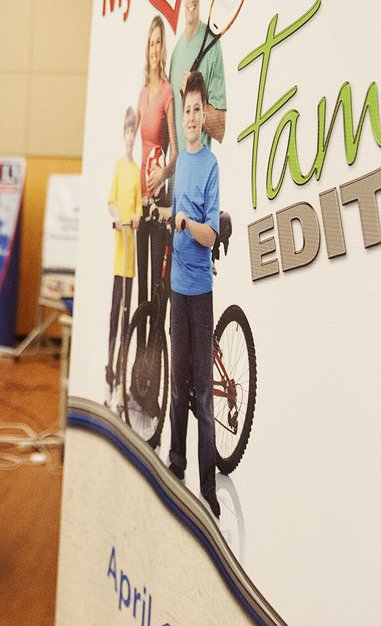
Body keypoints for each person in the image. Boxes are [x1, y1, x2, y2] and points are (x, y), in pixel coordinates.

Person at [167, 72, 221, 517]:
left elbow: (210, 233)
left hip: (199, 291)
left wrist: (186, 222)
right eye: (186, 110)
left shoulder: (208, 165)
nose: (190, 117)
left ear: (205, 118)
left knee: (202, 389)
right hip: (175, 289)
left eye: (197, 111)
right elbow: (176, 212)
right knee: (177, 379)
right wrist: (162, 211)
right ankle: (176, 461)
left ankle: (208, 483)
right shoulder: (180, 161)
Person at [153, 0, 227, 192]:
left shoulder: (212, 45)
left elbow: (220, 129)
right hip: (173, 189)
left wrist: (194, 97)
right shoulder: (175, 54)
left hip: (197, 185)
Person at [136, 15, 178, 304]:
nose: (154, 49)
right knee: (141, 288)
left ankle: (155, 348)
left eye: (159, 43)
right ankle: (141, 351)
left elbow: (176, 151)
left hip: (161, 198)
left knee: (155, 285)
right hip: (142, 198)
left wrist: (162, 174)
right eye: (151, 43)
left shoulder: (167, 93)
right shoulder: (141, 94)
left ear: (163, 49)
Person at [106, 107, 141, 393]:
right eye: (127, 133)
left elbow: (139, 205)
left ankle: (121, 368)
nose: (130, 138)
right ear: (123, 135)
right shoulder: (119, 166)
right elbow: (111, 201)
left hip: (132, 255)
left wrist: (137, 217)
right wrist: (117, 218)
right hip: (120, 253)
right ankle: (109, 365)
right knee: (115, 312)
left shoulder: (136, 170)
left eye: (133, 133)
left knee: (128, 313)